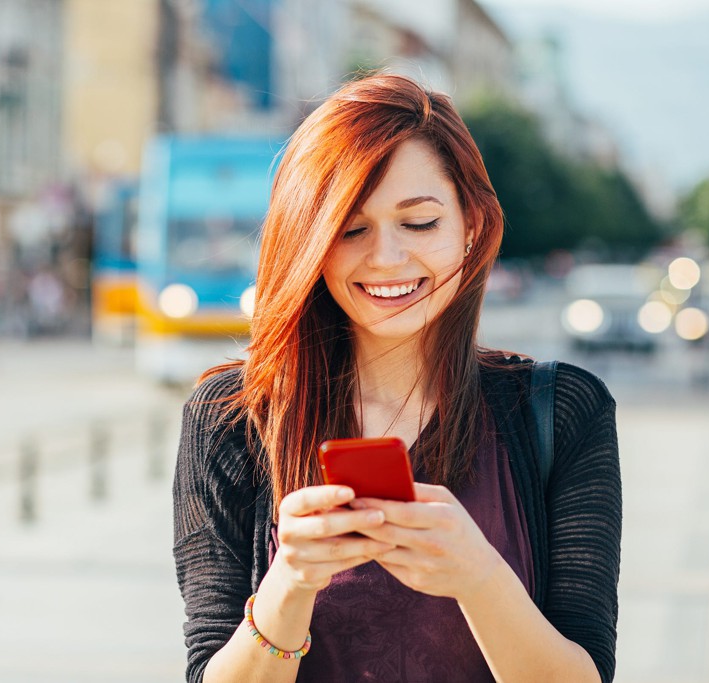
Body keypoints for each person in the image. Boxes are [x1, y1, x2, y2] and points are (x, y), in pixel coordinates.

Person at [173, 74, 621, 683]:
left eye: (419, 223)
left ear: (472, 227)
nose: (385, 258)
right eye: (351, 229)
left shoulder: (560, 410)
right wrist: (290, 583)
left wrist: (476, 575)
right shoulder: (231, 414)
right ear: (311, 241)